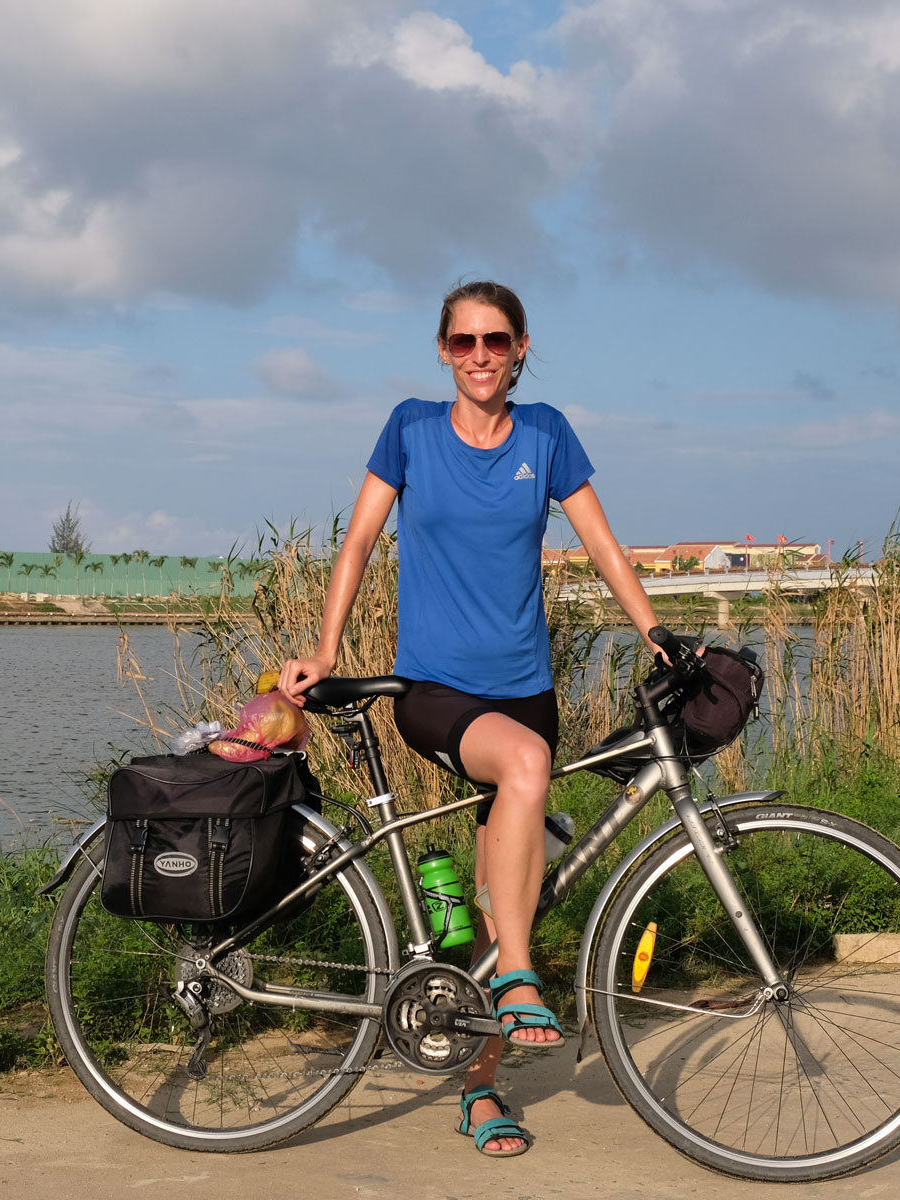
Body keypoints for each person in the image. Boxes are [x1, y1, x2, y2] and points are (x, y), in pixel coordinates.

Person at [279, 280, 666, 1159]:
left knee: (504, 902)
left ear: (522, 347)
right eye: (463, 342)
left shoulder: (547, 434)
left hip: (526, 690)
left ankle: (482, 1088)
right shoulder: (412, 429)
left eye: (496, 340)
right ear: (443, 351)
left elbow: (603, 544)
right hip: (436, 691)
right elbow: (359, 543)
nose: (480, 356)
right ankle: (526, 981)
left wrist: (654, 634)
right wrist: (329, 649)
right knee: (526, 769)